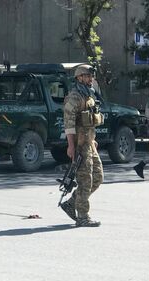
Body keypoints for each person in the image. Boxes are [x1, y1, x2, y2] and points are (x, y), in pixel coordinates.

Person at [59, 65, 104, 228]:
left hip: (89, 143)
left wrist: (93, 140)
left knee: (98, 177)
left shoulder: (89, 96)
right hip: (79, 145)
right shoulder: (74, 97)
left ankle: (71, 203)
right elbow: (69, 124)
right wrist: (70, 146)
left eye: (91, 76)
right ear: (79, 78)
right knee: (85, 180)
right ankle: (83, 216)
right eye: (87, 76)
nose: (90, 79)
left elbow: (90, 121)